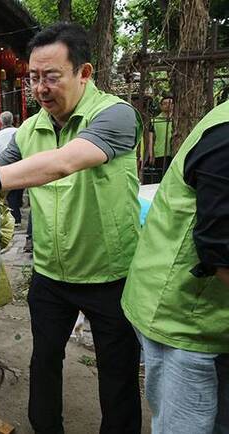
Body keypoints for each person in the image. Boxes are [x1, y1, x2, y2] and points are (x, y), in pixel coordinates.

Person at [0, 22, 143, 433]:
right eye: (33, 77)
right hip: (50, 274)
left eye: (51, 77)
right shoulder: (30, 130)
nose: (40, 88)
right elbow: (0, 171)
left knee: (117, 374)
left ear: (83, 73)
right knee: (44, 362)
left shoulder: (116, 115)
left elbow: (65, 161)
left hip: (111, 274)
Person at [122, 100, 229, 434]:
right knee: (186, 425)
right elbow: (219, 250)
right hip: (183, 314)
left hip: (215, 314)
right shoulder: (225, 137)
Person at [0, 111, 22, 225]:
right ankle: (18, 208)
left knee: (12, 193)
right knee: (19, 189)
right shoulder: (19, 131)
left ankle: (16, 218)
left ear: (0, 122)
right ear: (12, 120)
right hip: (21, 164)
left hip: (6, 167)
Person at [147, 95, 174, 171]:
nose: (168, 105)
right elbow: (151, 139)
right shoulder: (154, 121)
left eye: (170, 103)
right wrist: (151, 154)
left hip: (176, 152)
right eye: (165, 103)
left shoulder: (179, 120)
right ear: (161, 106)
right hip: (160, 153)